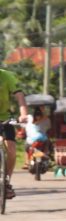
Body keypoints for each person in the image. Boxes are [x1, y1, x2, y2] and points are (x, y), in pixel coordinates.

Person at [0, 67, 28, 199]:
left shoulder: (6, 76)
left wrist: (23, 114)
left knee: (11, 149)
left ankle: (6, 183)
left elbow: (19, 96)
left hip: (4, 118)